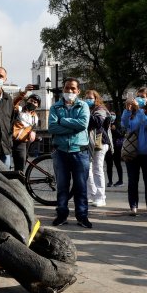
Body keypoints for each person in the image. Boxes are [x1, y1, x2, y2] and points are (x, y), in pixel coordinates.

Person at [49, 78, 92, 228]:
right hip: (61, 152)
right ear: (63, 89)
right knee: (62, 186)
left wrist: (62, 121)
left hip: (80, 152)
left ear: (78, 91)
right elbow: (52, 128)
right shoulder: (55, 107)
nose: (70, 91)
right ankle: (61, 215)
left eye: (73, 88)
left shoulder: (83, 105)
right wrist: (71, 126)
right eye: (67, 88)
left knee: (81, 187)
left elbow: (83, 124)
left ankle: (82, 216)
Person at [121, 87, 147, 217]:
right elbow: (125, 124)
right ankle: (133, 206)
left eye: (143, 96)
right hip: (132, 152)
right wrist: (127, 109)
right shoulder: (132, 113)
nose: (139, 99)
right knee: (133, 180)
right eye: (138, 96)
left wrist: (140, 111)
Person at [84, 90, 112, 207]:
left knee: (97, 168)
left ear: (96, 99)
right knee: (88, 168)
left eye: (90, 98)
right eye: (86, 98)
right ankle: (92, 194)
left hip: (100, 141)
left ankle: (101, 197)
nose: (88, 100)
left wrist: (85, 112)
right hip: (89, 142)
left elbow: (97, 122)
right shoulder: (89, 109)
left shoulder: (100, 109)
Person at [12, 87, 41, 172]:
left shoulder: (35, 116)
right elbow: (14, 103)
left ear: (37, 106)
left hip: (25, 142)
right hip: (15, 140)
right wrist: (23, 93)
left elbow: (34, 127)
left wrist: (33, 131)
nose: (32, 103)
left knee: (21, 164)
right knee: (18, 164)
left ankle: (20, 182)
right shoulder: (19, 110)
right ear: (26, 100)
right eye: (31, 100)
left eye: (35, 102)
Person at [106, 112, 124, 187]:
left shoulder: (118, 124)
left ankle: (120, 180)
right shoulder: (106, 124)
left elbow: (121, 135)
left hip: (117, 147)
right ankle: (110, 181)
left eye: (113, 115)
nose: (112, 117)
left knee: (117, 164)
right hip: (108, 147)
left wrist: (115, 130)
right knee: (109, 165)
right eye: (110, 115)